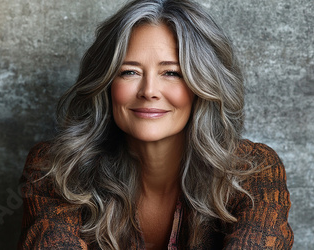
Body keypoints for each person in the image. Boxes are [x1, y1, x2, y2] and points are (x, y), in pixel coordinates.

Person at [18, 0, 294, 249]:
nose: (149, 90)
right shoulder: (56, 168)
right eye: (129, 72)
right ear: (105, 84)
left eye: (171, 72)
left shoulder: (254, 171)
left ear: (203, 85)